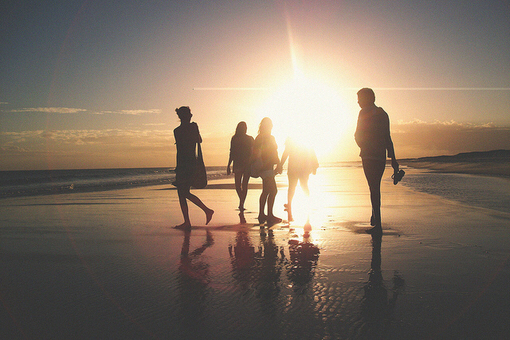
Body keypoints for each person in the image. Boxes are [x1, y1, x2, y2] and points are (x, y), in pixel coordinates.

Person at [354, 88, 400, 234]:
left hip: (368, 155)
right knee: (376, 186)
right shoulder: (383, 113)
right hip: (380, 155)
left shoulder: (363, 113)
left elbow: (357, 134)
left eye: (360, 98)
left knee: (372, 187)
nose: (358, 102)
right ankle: (375, 215)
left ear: (368, 98)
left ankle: (377, 223)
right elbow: (388, 137)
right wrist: (393, 159)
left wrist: (362, 145)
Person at [173, 106, 214, 229]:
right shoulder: (192, 127)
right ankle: (190, 220)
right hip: (190, 163)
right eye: (189, 114)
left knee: (183, 192)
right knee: (183, 193)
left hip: (184, 164)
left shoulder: (177, 131)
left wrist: (178, 166)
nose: (191, 115)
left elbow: (179, 150)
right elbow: (199, 140)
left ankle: (204, 212)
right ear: (187, 116)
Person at [276, 137, 319, 221]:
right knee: (303, 186)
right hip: (303, 168)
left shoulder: (292, 142)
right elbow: (312, 152)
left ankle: (290, 204)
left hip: (295, 168)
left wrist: (280, 164)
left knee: (293, 187)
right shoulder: (304, 141)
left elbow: (285, 153)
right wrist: (314, 166)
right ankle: (305, 203)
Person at [253, 117, 281, 225]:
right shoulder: (263, 138)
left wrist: (278, 163)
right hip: (265, 167)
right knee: (272, 191)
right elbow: (270, 152)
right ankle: (268, 215)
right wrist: (277, 163)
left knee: (266, 191)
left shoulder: (263, 137)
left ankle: (263, 214)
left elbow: (274, 152)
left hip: (267, 167)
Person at [227, 122, 254, 211]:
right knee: (243, 185)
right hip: (244, 164)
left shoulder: (236, 138)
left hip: (241, 164)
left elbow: (232, 152)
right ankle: (241, 202)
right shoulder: (241, 138)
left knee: (239, 185)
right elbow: (232, 152)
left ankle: (241, 203)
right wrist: (228, 165)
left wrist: (228, 165)